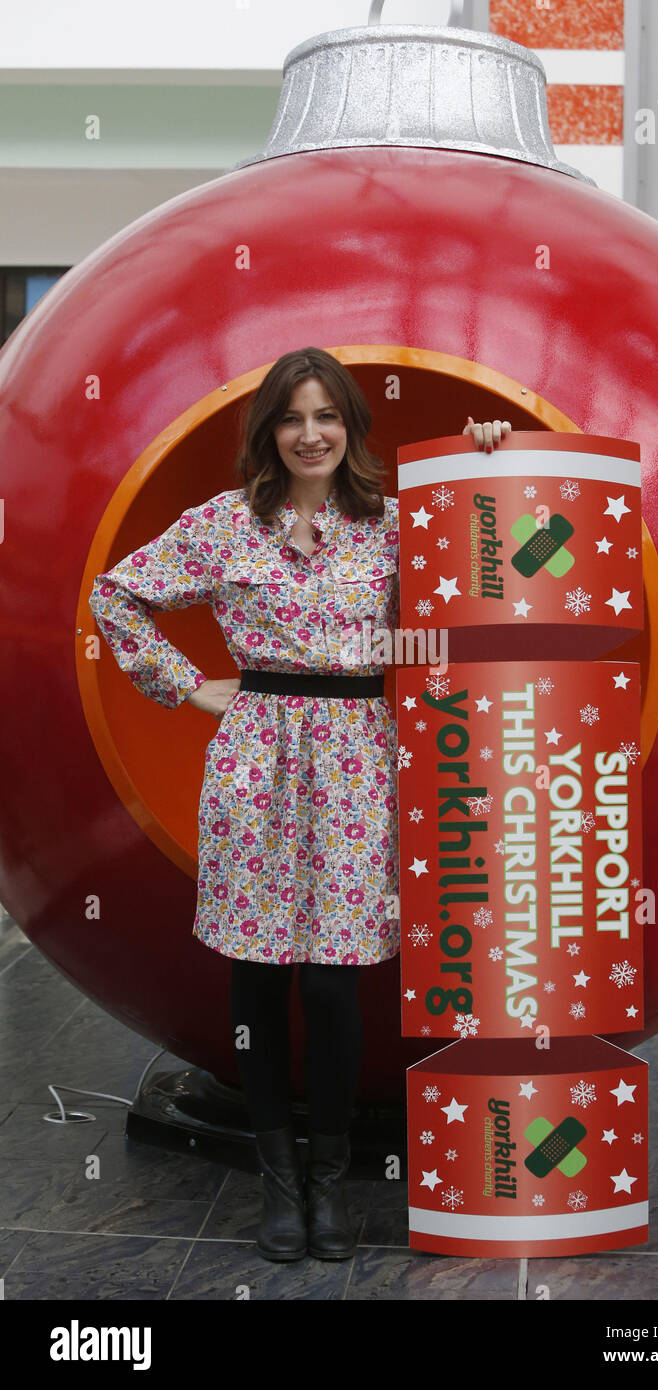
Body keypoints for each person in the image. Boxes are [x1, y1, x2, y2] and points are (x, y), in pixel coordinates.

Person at [88, 345, 511, 1263]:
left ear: (351, 427)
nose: (310, 433)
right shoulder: (228, 526)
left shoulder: (396, 525)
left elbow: (497, 546)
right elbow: (117, 595)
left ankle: (330, 1181)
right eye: (292, 417)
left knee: (333, 981)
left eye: (327, 416)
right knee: (258, 975)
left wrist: (492, 457)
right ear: (269, 431)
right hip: (256, 764)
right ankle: (279, 1186)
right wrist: (187, 687)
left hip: (358, 762)